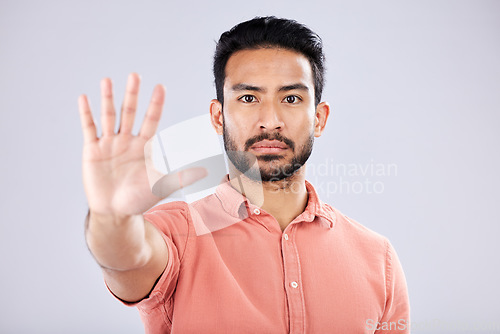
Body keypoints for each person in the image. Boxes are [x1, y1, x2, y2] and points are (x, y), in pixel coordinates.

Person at [79, 16, 410, 334]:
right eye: (249, 98)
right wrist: (112, 217)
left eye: (291, 98)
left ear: (319, 119)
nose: (270, 120)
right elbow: (125, 258)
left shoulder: (378, 259)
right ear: (218, 117)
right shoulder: (177, 233)